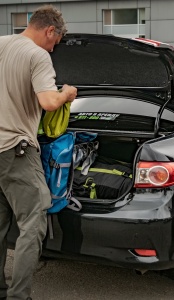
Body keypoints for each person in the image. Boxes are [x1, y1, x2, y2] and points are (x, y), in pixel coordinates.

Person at [0, 5, 77, 300]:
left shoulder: (2, 43)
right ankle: (19, 297)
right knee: (33, 223)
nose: (53, 48)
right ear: (49, 31)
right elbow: (48, 102)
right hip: (16, 151)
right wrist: (67, 93)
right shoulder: (37, 55)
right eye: (54, 42)